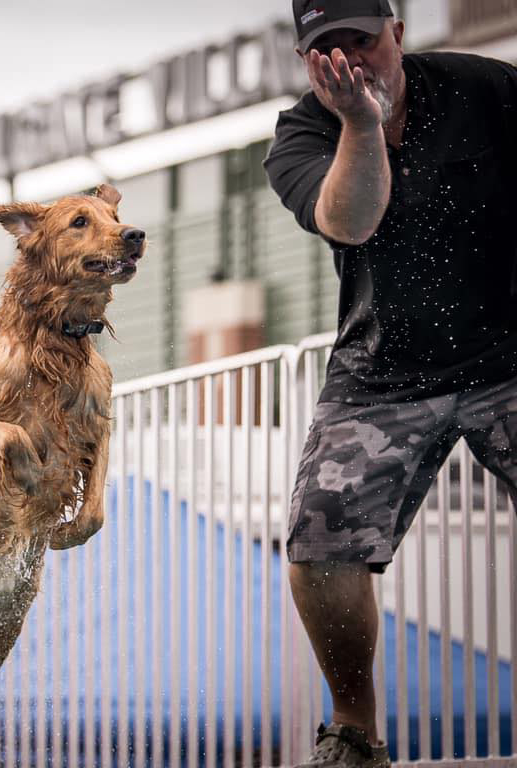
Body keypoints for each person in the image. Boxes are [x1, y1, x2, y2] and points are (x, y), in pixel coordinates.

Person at [264, 1, 517, 766]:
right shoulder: (301, 135)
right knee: (320, 545)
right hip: (384, 372)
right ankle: (354, 729)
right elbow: (351, 222)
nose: (350, 63)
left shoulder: (487, 91)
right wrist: (361, 126)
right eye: (327, 51)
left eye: (363, 42)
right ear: (307, 62)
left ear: (398, 34)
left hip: (509, 356)